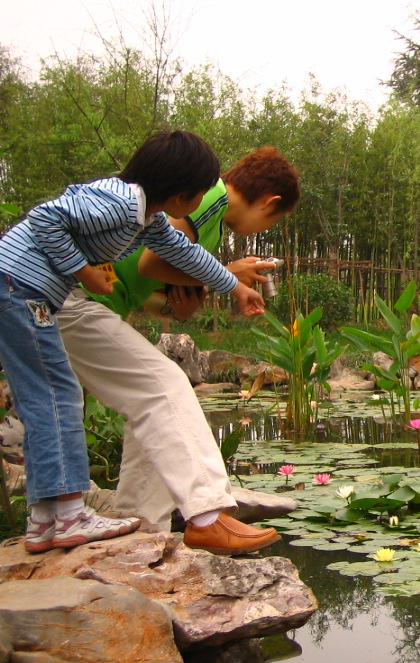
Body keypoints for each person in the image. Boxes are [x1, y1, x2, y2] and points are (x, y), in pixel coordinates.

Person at [0, 130, 264, 554]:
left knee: (51, 399)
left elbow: (187, 254)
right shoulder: (120, 201)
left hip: (28, 293)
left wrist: (235, 286)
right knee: (56, 398)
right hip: (21, 289)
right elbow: (45, 218)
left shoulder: (148, 219)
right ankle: (70, 516)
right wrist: (83, 270)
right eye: (200, 193)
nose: (202, 201)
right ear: (180, 194)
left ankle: (46, 520)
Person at [57, 146, 299, 555]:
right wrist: (229, 275)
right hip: (72, 298)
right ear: (269, 202)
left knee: (151, 406)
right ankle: (207, 514)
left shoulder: (210, 218)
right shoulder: (210, 196)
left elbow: (147, 287)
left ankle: (140, 529)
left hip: (88, 302)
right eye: (272, 219)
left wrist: (179, 306)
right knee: (165, 386)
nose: (262, 227)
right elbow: (153, 262)